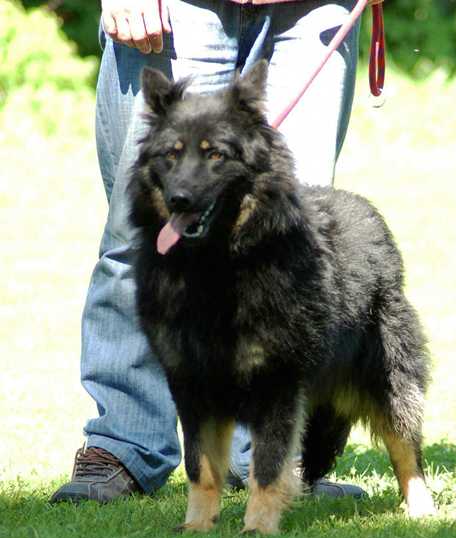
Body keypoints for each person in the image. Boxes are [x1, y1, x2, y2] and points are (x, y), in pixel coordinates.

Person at [50, 0, 369, 504]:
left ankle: (267, 455)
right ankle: (125, 446)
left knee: (291, 243)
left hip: (314, 11)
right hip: (175, 9)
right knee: (142, 240)